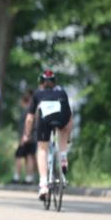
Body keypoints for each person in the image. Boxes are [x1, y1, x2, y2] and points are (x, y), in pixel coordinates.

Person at [22, 69, 74, 200]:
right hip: (62, 118)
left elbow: (29, 118)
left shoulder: (38, 93)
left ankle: (44, 184)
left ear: (41, 82)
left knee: (42, 149)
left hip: (45, 120)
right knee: (62, 129)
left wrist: (27, 135)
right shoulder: (62, 92)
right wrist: (69, 137)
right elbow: (70, 118)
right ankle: (63, 156)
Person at [12, 90, 36, 184]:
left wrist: (25, 136)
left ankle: (17, 177)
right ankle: (29, 178)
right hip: (32, 137)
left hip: (26, 137)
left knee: (19, 156)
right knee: (29, 156)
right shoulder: (33, 110)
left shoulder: (27, 111)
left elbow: (28, 124)